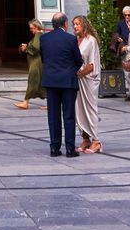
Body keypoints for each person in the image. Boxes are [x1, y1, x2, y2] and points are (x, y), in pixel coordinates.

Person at [38, 12, 82, 157]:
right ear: (65, 24)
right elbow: (79, 60)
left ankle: (54, 147)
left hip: (51, 80)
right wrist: (70, 70)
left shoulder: (44, 39)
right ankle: (70, 148)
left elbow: (44, 59)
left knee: (53, 115)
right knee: (68, 115)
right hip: (68, 80)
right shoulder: (71, 39)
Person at [73, 15, 102, 154]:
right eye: (73, 24)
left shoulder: (91, 41)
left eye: (78, 24)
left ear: (84, 25)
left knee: (90, 109)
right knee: (79, 110)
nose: (75, 27)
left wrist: (79, 74)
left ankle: (96, 141)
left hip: (88, 79)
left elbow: (92, 65)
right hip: (78, 80)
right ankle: (85, 139)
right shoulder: (76, 41)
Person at [15, 19, 45, 110]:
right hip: (38, 63)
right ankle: (51, 104)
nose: (30, 30)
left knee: (32, 81)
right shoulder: (40, 36)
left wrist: (26, 48)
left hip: (36, 63)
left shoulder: (38, 35)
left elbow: (35, 48)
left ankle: (25, 102)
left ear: (36, 27)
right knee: (41, 83)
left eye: (31, 28)